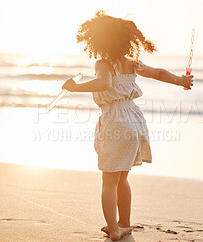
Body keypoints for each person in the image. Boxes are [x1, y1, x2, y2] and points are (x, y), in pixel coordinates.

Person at [62, 11, 194, 241]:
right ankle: (124, 223)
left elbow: (104, 83)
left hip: (115, 121)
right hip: (134, 119)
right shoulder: (132, 63)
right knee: (123, 178)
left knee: (109, 180)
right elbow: (159, 73)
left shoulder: (103, 63)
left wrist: (74, 87)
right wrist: (181, 81)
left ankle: (113, 228)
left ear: (98, 41)